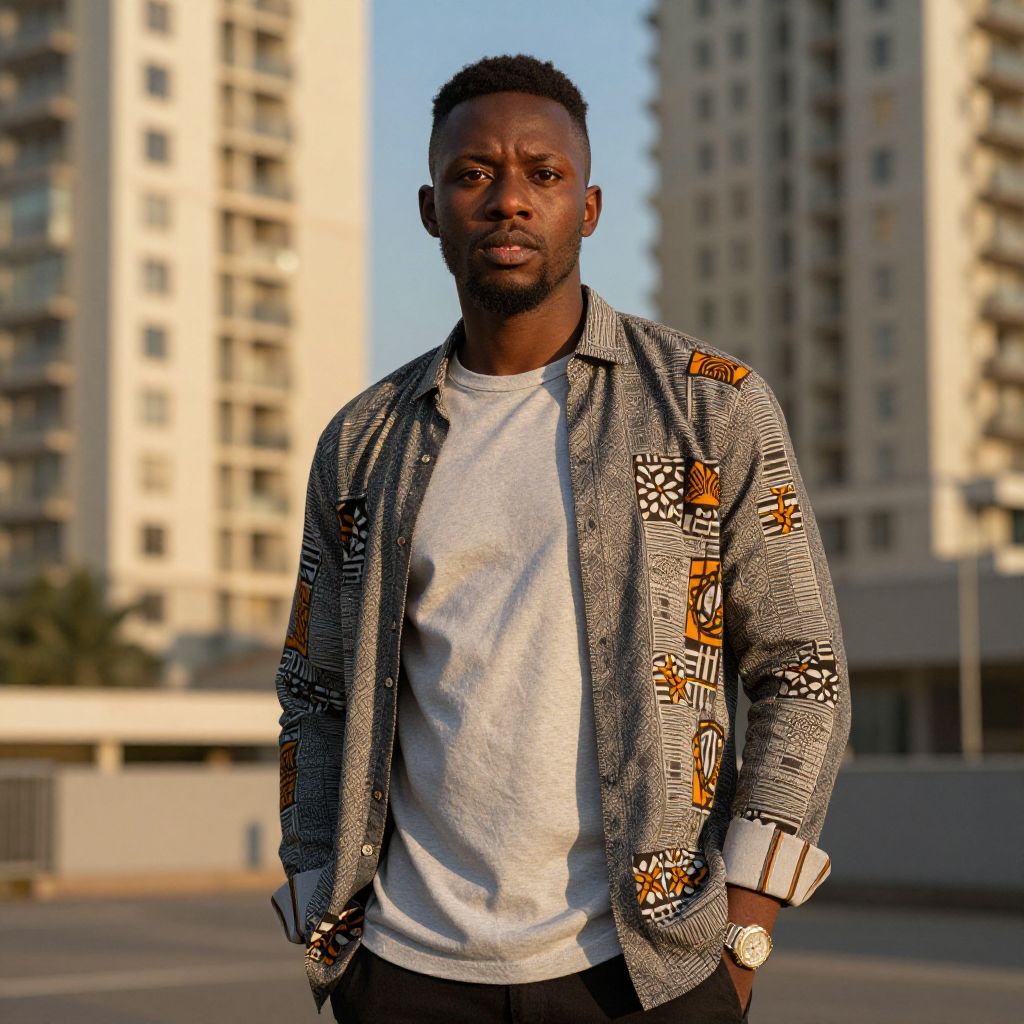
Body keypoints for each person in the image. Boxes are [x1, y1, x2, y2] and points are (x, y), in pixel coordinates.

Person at [270, 54, 851, 1023]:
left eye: (542, 175)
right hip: (408, 973)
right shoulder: (362, 444)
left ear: (587, 206)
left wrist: (741, 934)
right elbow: (313, 689)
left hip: (644, 973)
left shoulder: (711, 409)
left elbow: (803, 668)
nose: (507, 200)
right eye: (473, 174)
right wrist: (328, 909)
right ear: (429, 208)